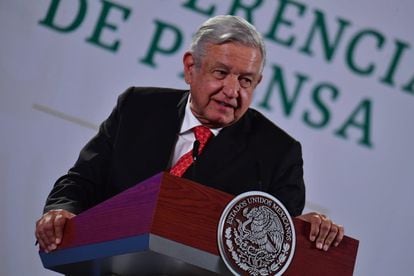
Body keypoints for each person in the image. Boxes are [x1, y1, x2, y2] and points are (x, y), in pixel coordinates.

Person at [35, 15, 344, 254]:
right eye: (221, 73)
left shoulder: (279, 152)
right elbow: (82, 180)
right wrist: (62, 211)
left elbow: (275, 248)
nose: (232, 91)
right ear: (190, 67)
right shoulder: (138, 107)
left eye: (246, 80)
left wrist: (302, 231)